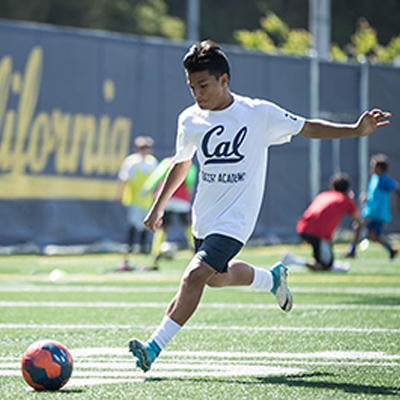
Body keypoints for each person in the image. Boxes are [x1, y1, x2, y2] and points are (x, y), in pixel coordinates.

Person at [128, 39, 391, 372]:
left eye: (204, 85)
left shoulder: (258, 113)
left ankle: (152, 349)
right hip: (204, 219)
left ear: (225, 80)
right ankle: (271, 279)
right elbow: (181, 164)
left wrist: (355, 130)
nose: (197, 93)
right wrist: (157, 207)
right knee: (214, 279)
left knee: (194, 276)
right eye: (192, 87)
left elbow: (307, 127)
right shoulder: (189, 120)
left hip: (236, 221)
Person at [282, 173, 362, 272]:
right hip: (318, 234)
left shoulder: (324, 195)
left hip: (303, 227)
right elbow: (358, 220)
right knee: (325, 266)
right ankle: (292, 260)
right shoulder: (346, 200)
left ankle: (295, 260)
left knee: (323, 261)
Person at [142, 156, 197, 268]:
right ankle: (196, 250)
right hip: (181, 199)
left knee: (162, 227)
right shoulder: (190, 164)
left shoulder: (167, 162)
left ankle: (155, 253)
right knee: (188, 225)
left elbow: (157, 176)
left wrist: (147, 188)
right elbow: (189, 181)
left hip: (166, 199)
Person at [116, 136, 158, 270]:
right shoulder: (131, 162)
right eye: (143, 147)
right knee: (134, 225)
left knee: (147, 226)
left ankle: (143, 250)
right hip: (134, 200)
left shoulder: (152, 162)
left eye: (147, 147)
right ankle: (129, 250)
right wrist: (120, 194)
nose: (146, 150)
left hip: (148, 201)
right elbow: (123, 179)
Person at [346, 153, 400, 259]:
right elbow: (375, 195)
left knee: (358, 226)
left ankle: (352, 251)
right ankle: (391, 249)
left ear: (380, 168)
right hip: (371, 210)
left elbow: (397, 189)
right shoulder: (375, 178)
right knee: (373, 235)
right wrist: (367, 198)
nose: (371, 168)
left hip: (376, 212)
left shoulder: (385, 179)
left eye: (373, 166)